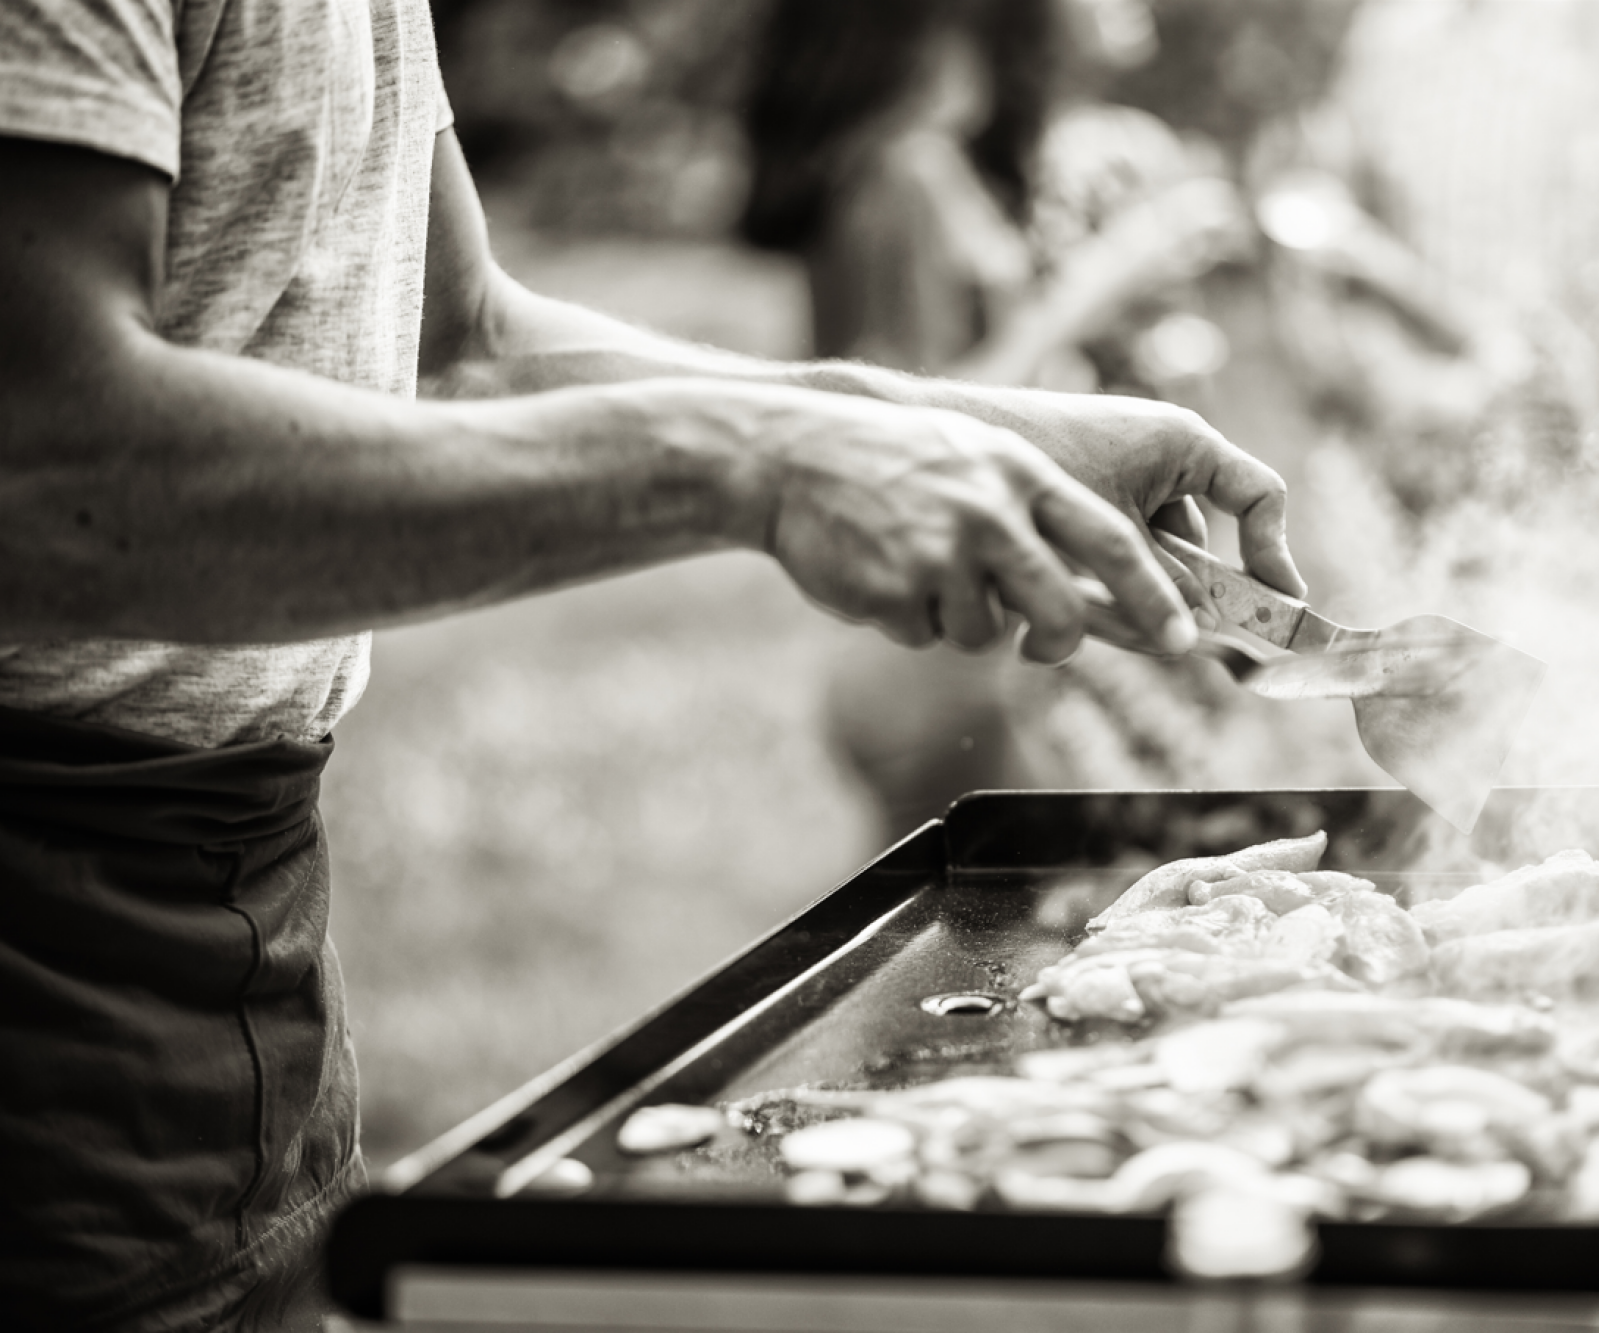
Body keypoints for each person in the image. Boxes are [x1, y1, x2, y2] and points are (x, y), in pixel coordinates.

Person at [0, 1, 1306, 1328]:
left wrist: (957, 427)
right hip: (50, 966)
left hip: (253, 931)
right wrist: (755, 467)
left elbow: (459, 347)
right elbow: (36, 460)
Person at [738, 0, 1248, 833]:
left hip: (974, 653)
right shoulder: (902, 171)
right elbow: (908, 416)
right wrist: (1107, 275)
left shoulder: (941, 165)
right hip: (940, 663)